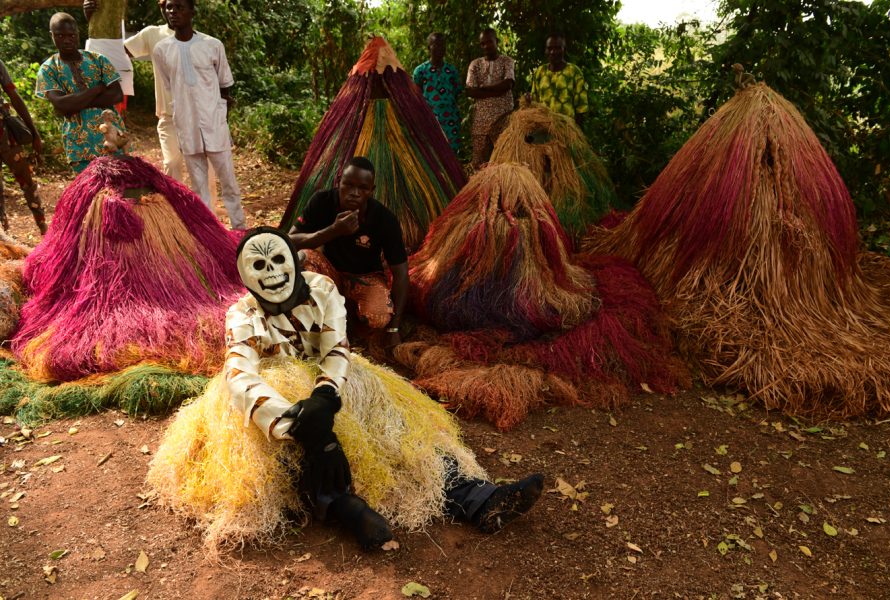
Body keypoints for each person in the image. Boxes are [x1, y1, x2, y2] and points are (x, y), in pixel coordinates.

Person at [219, 226, 544, 548]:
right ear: (246, 277)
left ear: (293, 259)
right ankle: (345, 508)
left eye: (277, 259)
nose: (272, 272)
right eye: (259, 266)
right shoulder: (241, 315)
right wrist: (309, 428)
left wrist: (324, 395)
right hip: (275, 402)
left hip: (338, 382)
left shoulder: (322, 289)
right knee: (290, 459)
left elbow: (335, 348)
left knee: (397, 429)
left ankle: (476, 497)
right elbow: (239, 376)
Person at [288, 157, 407, 351]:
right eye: (348, 185)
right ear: (338, 182)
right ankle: (319, 319)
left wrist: (394, 328)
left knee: (378, 318)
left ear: (372, 190)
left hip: (365, 277)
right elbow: (290, 240)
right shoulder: (322, 201)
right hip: (330, 272)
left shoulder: (384, 219)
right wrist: (333, 230)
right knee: (305, 258)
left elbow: (401, 273)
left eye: (363, 188)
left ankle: (349, 317)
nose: (354, 193)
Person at [153, 0, 245, 229]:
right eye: (169, 8)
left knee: (228, 182)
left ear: (192, 11)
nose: (173, 12)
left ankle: (241, 229)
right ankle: (211, 233)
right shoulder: (161, 50)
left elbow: (225, 85)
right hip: (186, 125)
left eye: (179, 7)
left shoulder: (212, 45)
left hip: (215, 125)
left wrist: (220, 117)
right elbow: (169, 85)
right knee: (199, 185)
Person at [35, 12, 125, 174]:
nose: (67, 39)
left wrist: (74, 104)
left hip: (112, 138)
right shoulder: (48, 69)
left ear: (78, 34)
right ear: (52, 36)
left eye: (71, 35)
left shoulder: (98, 60)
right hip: (79, 145)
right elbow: (61, 105)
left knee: (120, 192)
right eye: (60, 35)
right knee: (89, 194)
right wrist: (97, 89)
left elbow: (117, 95)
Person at [0, 58, 47, 235]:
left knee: (26, 180)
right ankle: (3, 236)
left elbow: (14, 96)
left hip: (5, 134)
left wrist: (34, 132)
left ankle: (43, 229)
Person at [465, 28, 514, 168]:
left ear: (497, 42)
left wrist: (483, 88)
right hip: (481, 122)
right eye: (482, 43)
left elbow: (508, 84)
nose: (486, 46)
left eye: (489, 42)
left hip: (503, 119)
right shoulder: (475, 64)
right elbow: (470, 91)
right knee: (479, 164)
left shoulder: (507, 61)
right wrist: (496, 89)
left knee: (505, 161)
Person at [413, 33, 463, 156]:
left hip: (450, 121)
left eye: (443, 45)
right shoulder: (420, 71)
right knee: (431, 154)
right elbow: (416, 95)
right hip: (429, 120)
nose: (441, 48)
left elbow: (456, 94)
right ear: (429, 48)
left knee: (451, 155)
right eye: (436, 45)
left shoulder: (451, 71)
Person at [82, 0, 133, 116]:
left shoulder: (117, 9)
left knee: (112, 119)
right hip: (96, 60)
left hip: (117, 65)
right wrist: (90, 15)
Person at [527, 34, 588, 128]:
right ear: (545, 50)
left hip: (567, 129)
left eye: (557, 48)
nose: (552, 52)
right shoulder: (540, 71)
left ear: (564, 50)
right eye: (549, 48)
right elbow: (535, 102)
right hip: (543, 129)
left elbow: (581, 108)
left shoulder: (574, 72)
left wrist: (577, 133)